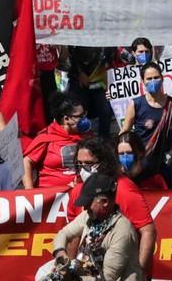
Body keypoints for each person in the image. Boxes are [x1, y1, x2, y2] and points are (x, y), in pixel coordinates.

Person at [66, 137, 157, 273]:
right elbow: (73, 236)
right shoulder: (78, 191)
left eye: (88, 163)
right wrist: (68, 272)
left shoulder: (124, 190)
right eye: (79, 164)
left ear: (104, 163)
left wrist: (139, 272)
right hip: (90, 270)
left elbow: (149, 232)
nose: (83, 169)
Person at [48, 174, 144, 281]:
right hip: (87, 272)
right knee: (45, 273)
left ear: (105, 202)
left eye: (89, 203)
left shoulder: (123, 231)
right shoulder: (89, 216)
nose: (85, 208)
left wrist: (71, 278)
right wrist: (61, 256)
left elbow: (108, 277)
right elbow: (63, 234)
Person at [120, 62, 172, 189]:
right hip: (142, 162)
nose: (153, 81)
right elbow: (124, 132)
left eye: (156, 77)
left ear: (162, 78)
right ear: (142, 82)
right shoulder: (136, 104)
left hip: (163, 162)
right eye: (149, 79)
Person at [23, 94, 91, 189]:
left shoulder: (87, 135)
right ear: (66, 119)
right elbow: (26, 162)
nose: (84, 119)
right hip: (51, 197)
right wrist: (30, 193)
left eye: (84, 114)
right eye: (80, 116)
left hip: (80, 192)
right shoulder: (46, 136)